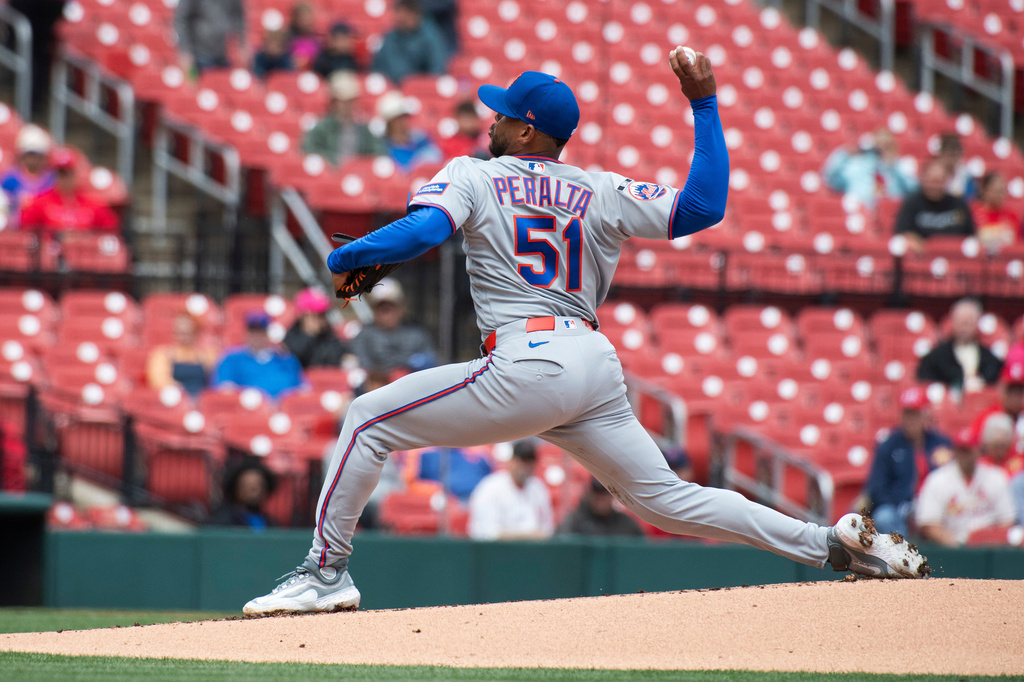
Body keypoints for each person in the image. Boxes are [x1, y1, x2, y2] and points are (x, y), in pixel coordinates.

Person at [243, 53, 928, 616]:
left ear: (527, 133)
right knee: (669, 500)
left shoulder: (475, 174)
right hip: (593, 364)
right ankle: (828, 542)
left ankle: (326, 573)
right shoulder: (599, 188)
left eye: (504, 114)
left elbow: (426, 229)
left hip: (528, 360)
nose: (493, 119)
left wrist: (350, 257)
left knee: (366, 419)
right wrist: (705, 106)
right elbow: (703, 206)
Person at [855, 387, 953, 536]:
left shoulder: (941, 444)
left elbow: (952, 479)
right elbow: (876, 486)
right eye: (907, 414)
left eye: (915, 414)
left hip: (935, 508)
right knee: (884, 517)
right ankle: (904, 555)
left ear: (925, 415)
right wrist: (900, 505)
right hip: (898, 508)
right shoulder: (889, 445)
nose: (911, 420)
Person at [915, 427, 1016, 546]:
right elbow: (930, 523)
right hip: (953, 547)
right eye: (960, 450)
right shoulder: (937, 479)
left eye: (968, 451)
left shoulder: (995, 477)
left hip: (990, 547)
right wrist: (956, 545)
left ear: (978, 451)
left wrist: (989, 539)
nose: (964, 456)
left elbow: (1007, 520)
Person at [466, 439, 554, 540]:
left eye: (530, 462)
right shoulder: (490, 487)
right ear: (512, 460)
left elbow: (547, 530)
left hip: (532, 551)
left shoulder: (538, 488)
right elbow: (488, 534)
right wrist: (528, 536)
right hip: (497, 552)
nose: (525, 466)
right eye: (522, 461)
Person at [18, 148, 120, 234]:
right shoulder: (40, 202)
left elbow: (110, 229)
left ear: (77, 173)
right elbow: (26, 229)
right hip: (51, 254)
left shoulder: (94, 204)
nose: (65, 178)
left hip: (83, 254)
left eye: (68, 172)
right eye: (61, 173)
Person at [348, 278, 436, 373]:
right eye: (382, 309)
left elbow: (432, 364)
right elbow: (361, 367)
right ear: (374, 311)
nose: (387, 315)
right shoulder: (364, 336)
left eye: (391, 308)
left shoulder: (417, 335)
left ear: (401, 308)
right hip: (379, 386)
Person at [915, 299, 1003, 394]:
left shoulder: (990, 359)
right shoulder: (934, 358)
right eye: (961, 322)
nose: (964, 328)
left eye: (968, 323)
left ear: (977, 324)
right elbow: (927, 385)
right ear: (952, 323)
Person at [212, 311, 306, 399]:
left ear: (268, 334)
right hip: (247, 412)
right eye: (253, 332)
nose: (257, 337)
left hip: (283, 412)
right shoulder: (231, 359)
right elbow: (224, 391)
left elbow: (303, 390)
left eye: (261, 332)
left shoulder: (286, 360)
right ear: (246, 334)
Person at [302, 71, 386, 166]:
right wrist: (336, 161)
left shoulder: (364, 129)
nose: (348, 106)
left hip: (357, 176)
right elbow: (309, 151)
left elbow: (377, 153)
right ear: (334, 102)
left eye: (351, 101)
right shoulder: (321, 128)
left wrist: (358, 165)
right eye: (343, 101)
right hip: (330, 176)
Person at [820, 128, 917, 210]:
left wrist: (896, 164)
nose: (882, 150)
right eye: (878, 146)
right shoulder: (857, 167)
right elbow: (829, 178)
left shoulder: (899, 170)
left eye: (887, 146)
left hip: (890, 218)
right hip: (860, 217)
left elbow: (917, 193)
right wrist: (844, 154)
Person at [894, 158, 974, 250]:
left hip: (955, 257)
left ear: (947, 181)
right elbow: (902, 232)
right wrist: (913, 240)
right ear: (923, 179)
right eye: (931, 181)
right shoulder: (911, 203)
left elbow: (971, 235)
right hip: (922, 259)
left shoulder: (959, 204)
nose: (935, 186)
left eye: (939, 182)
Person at [371, 0, 448, 85]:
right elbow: (377, 68)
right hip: (391, 90)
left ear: (416, 14)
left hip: (419, 90)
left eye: (406, 12)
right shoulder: (389, 37)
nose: (401, 17)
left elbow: (436, 71)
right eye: (399, 12)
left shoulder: (430, 37)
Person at [146, 311, 219, 397]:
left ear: (195, 332)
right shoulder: (163, 355)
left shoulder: (207, 356)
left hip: (201, 401)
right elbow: (159, 381)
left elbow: (216, 382)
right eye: (180, 332)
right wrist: (183, 393)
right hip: (176, 401)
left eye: (188, 332)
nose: (184, 336)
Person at [0, 124, 55, 227]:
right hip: (16, 230)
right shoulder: (9, 180)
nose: (33, 160)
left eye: (37, 156)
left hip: (44, 228)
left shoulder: (52, 180)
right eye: (30, 155)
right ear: (22, 156)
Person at [174, 0, 247, 75]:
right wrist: (185, 49)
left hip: (226, 54)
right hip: (198, 54)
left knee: (224, 84)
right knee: (198, 84)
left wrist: (242, 43)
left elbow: (239, 16)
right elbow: (182, 20)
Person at [377, 91, 443, 172]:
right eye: (398, 119)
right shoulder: (383, 147)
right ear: (389, 123)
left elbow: (436, 157)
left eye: (405, 117)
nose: (403, 122)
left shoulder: (421, 139)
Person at [283, 287, 348, 369]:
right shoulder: (290, 338)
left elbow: (336, 359)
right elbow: (292, 361)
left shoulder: (330, 337)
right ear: (304, 315)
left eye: (325, 314)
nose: (322, 319)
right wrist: (309, 335)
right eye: (319, 314)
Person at [557, 477, 644, 537]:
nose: (601, 497)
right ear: (590, 492)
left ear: (613, 494)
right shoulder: (574, 521)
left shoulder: (627, 524)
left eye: (605, 491)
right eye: (597, 491)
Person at [209, 460, 277, 529]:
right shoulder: (223, 521)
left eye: (258, 486)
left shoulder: (270, 523)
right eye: (246, 486)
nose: (253, 491)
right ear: (235, 489)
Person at [971, 358, 1024, 441]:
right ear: (1002, 390)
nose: (1015, 397)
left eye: (1019, 392)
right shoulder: (988, 418)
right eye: (1011, 391)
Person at [971, 172, 1021, 254]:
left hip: (1004, 260)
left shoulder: (1012, 215)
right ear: (984, 190)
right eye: (995, 191)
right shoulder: (972, 212)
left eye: (1002, 191)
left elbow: (1017, 243)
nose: (999, 195)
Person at [977, 411, 1024, 478]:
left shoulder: (1020, 463)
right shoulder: (980, 465)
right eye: (996, 445)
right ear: (987, 444)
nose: (999, 450)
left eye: (1003, 445)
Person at [936, 133, 975, 199]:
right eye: (949, 155)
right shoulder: (932, 175)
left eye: (955, 155)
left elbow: (970, 199)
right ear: (941, 154)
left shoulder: (966, 177)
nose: (952, 160)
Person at [287, 1, 321, 72]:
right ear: (295, 18)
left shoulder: (316, 40)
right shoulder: (287, 37)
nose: (306, 21)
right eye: (303, 17)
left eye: (308, 17)